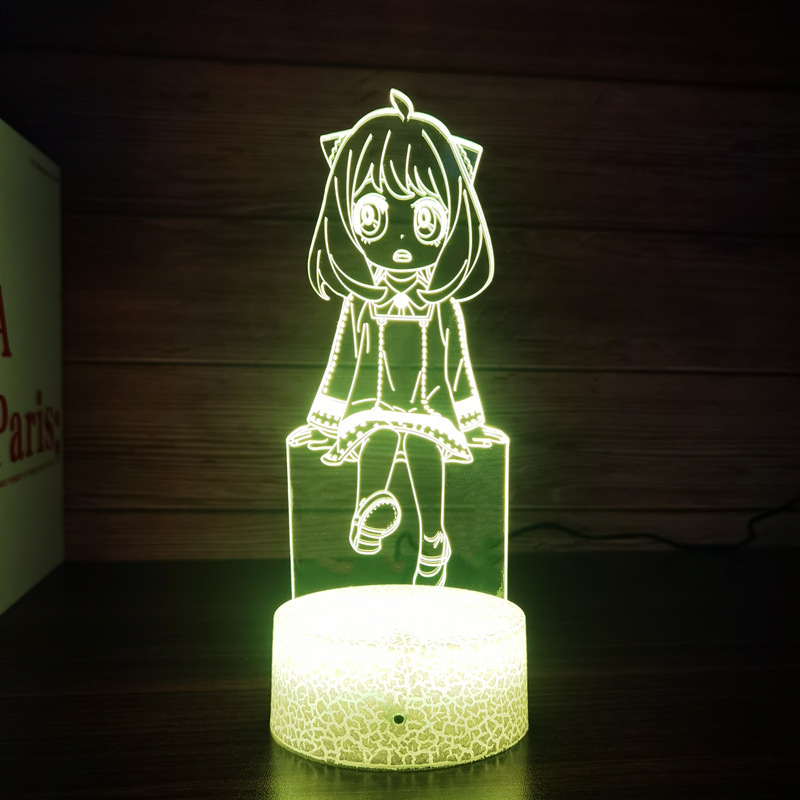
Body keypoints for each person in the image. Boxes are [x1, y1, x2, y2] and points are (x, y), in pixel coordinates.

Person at [299, 89, 495, 586]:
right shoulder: (361, 302)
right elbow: (344, 363)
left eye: (426, 220)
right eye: (373, 217)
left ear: (454, 222)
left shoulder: (441, 305)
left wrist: (471, 422)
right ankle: (370, 512)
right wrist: (324, 421)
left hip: (429, 407)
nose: (402, 240)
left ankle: (432, 540)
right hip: (376, 404)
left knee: (425, 447)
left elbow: (456, 365)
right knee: (377, 436)